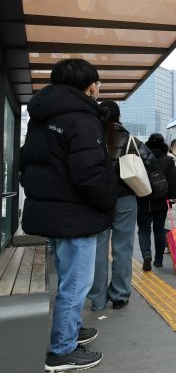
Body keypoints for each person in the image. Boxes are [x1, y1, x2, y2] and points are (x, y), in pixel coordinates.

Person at [20, 59, 116, 371]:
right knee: (76, 284)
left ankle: (69, 329)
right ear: (90, 85)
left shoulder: (42, 117)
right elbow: (89, 175)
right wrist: (106, 201)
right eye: (97, 83)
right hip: (75, 215)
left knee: (67, 279)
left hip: (54, 213)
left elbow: (29, 165)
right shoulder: (82, 119)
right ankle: (62, 350)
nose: (98, 89)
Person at [88, 101, 157, 311]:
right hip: (125, 199)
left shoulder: (92, 139)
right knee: (122, 248)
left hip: (98, 200)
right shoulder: (130, 140)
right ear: (119, 117)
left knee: (98, 250)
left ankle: (97, 300)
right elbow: (151, 162)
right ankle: (120, 295)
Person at [137, 133, 176, 271]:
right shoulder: (168, 160)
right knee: (159, 230)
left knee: (143, 230)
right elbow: (173, 181)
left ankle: (146, 254)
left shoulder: (140, 158)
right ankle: (158, 260)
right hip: (161, 201)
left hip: (143, 200)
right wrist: (171, 200)